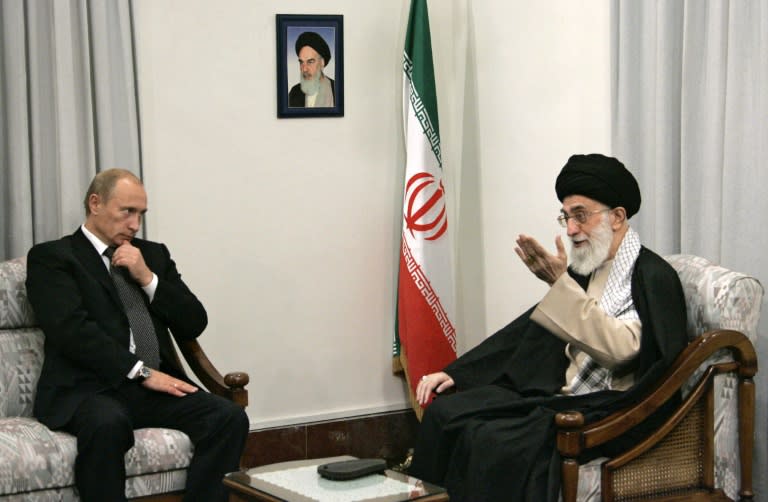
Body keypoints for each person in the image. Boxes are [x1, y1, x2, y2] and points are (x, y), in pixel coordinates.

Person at [408, 154, 688, 501]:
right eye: (566, 217)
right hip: (560, 395)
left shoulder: (651, 277)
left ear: (617, 217)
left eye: (581, 216)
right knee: (446, 411)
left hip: (614, 407)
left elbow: (622, 351)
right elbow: (527, 332)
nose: (571, 229)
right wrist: (461, 373)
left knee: (496, 442)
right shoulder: (589, 269)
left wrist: (560, 287)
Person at [25, 169, 249, 502]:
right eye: (127, 211)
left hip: (151, 388)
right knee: (107, 424)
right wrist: (141, 372)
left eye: (141, 214)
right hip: (89, 389)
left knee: (228, 418)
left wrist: (148, 278)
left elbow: (194, 322)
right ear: (95, 203)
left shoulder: (152, 254)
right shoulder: (53, 258)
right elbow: (71, 332)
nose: (135, 224)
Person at [288, 31, 335, 108]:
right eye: (301, 62)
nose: (304, 69)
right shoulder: (294, 92)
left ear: (322, 63)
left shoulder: (336, 90)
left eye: (310, 62)